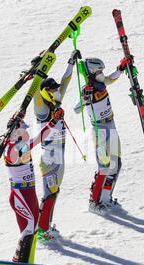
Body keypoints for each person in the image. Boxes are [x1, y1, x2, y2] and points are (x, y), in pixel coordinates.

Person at [32, 49, 81, 242]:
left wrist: (71, 62)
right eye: (51, 90)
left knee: (54, 192)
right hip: (50, 155)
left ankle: (46, 226)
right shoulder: (42, 108)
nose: (55, 92)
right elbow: (36, 91)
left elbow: (65, 81)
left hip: (60, 154)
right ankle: (42, 231)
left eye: (55, 90)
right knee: (49, 193)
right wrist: (37, 71)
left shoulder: (56, 99)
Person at [4, 107, 64, 263]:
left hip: (29, 192)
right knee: (28, 228)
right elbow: (17, 151)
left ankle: (27, 260)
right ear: (16, 133)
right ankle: (18, 260)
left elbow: (39, 138)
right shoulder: (13, 149)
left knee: (33, 227)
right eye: (24, 131)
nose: (27, 133)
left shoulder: (20, 144)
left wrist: (54, 121)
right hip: (19, 194)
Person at [74, 56, 131, 214]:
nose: (101, 73)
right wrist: (85, 98)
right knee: (104, 166)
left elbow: (110, 79)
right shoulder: (87, 89)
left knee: (116, 164)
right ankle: (94, 201)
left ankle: (106, 198)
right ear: (91, 72)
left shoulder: (100, 84)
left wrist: (120, 69)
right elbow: (76, 109)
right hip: (99, 130)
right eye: (99, 71)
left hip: (110, 125)